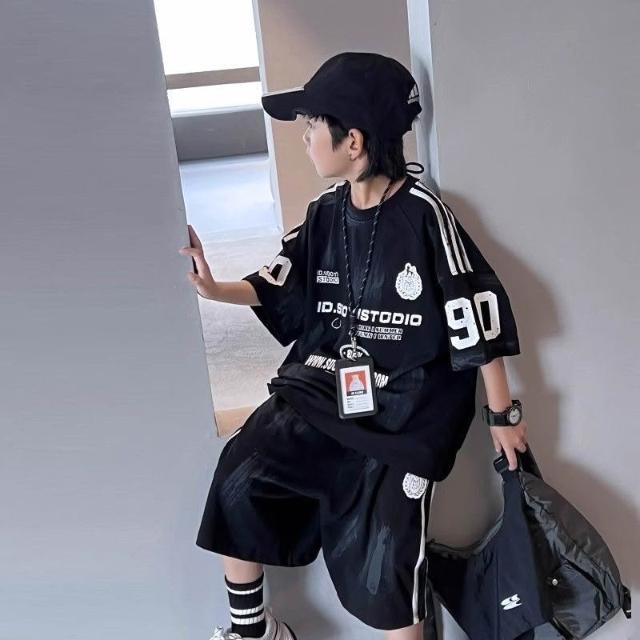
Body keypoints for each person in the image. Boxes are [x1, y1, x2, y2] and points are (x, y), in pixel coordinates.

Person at [179, 51, 529, 640]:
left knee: (388, 557)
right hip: (323, 391)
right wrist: (214, 289)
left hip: (407, 414)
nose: (305, 137)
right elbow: (281, 282)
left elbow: (474, 314)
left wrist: (503, 414)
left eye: (313, 125)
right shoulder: (325, 213)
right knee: (240, 474)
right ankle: (255, 632)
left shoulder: (423, 216)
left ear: (354, 142)